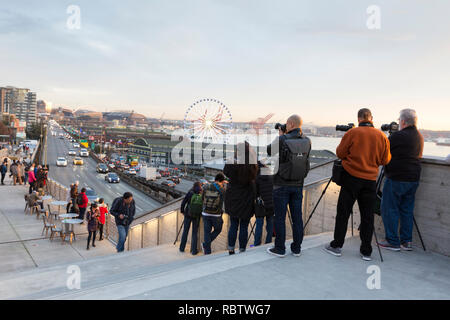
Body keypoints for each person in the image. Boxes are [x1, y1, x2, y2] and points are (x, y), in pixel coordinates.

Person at [324, 108, 391, 261]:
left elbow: (340, 153)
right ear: (371, 118)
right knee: (367, 215)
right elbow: (385, 160)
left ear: (359, 118)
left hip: (351, 178)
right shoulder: (382, 136)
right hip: (370, 181)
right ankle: (366, 251)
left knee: (343, 213)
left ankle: (337, 246)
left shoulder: (352, 133)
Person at [266, 115, 311, 258]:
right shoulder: (307, 140)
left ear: (290, 124)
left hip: (281, 184)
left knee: (280, 217)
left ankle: (280, 248)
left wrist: (280, 135)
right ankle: (296, 248)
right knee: (297, 217)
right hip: (298, 184)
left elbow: (269, 151)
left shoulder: (283, 139)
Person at [379, 109, 424, 251]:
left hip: (397, 178)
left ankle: (392, 241)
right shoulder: (419, 136)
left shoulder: (398, 136)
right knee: (407, 210)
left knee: (389, 208)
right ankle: (406, 242)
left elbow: (382, 150)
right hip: (413, 178)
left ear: (403, 121)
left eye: (399, 120)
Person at [223, 142, 258, 254]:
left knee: (233, 225)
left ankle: (231, 248)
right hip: (247, 197)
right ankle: (242, 249)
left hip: (234, 197)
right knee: (244, 225)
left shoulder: (232, 162)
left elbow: (226, 172)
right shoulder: (252, 164)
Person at [201, 173, 226, 255]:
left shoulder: (206, 186)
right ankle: (205, 244)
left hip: (205, 213)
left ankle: (207, 252)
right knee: (218, 229)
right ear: (222, 181)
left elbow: (202, 198)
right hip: (216, 214)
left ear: (215, 179)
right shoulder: (222, 189)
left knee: (207, 232)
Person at [254, 161, 275, 247]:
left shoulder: (257, 178)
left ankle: (257, 244)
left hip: (260, 205)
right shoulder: (271, 177)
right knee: (270, 223)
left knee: (259, 224)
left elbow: (255, 192)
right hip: (271, 204)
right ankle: (268, 241)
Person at [179, 181, 203, 255]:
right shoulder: (201, 193)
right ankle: (194, 251)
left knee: (185, 231)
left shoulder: (190, 192)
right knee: (194, 233)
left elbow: (183, 202)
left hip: (188, 215)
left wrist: (182, 211)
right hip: (197, 216)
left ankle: (182, 248)